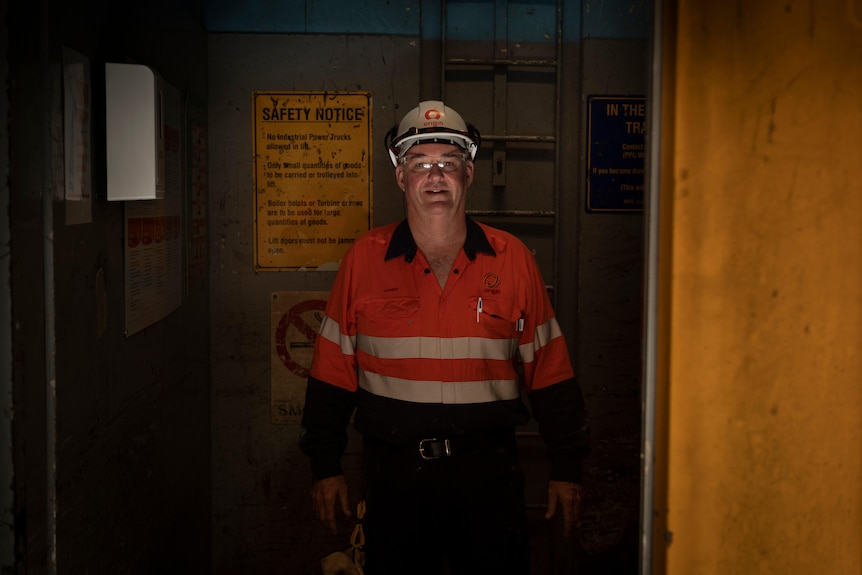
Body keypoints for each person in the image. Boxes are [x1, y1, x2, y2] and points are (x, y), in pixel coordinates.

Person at [299, 100, 590, 575]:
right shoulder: (363, 260)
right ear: (401, 176)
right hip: (395, 482)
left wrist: (568, 469)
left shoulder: (511, 258)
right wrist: (325, 466)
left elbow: (551, 373)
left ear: (469, 173)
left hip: (489, 479)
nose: (435, 176)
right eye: (420, 164)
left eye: (447, 164)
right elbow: (332, 374)